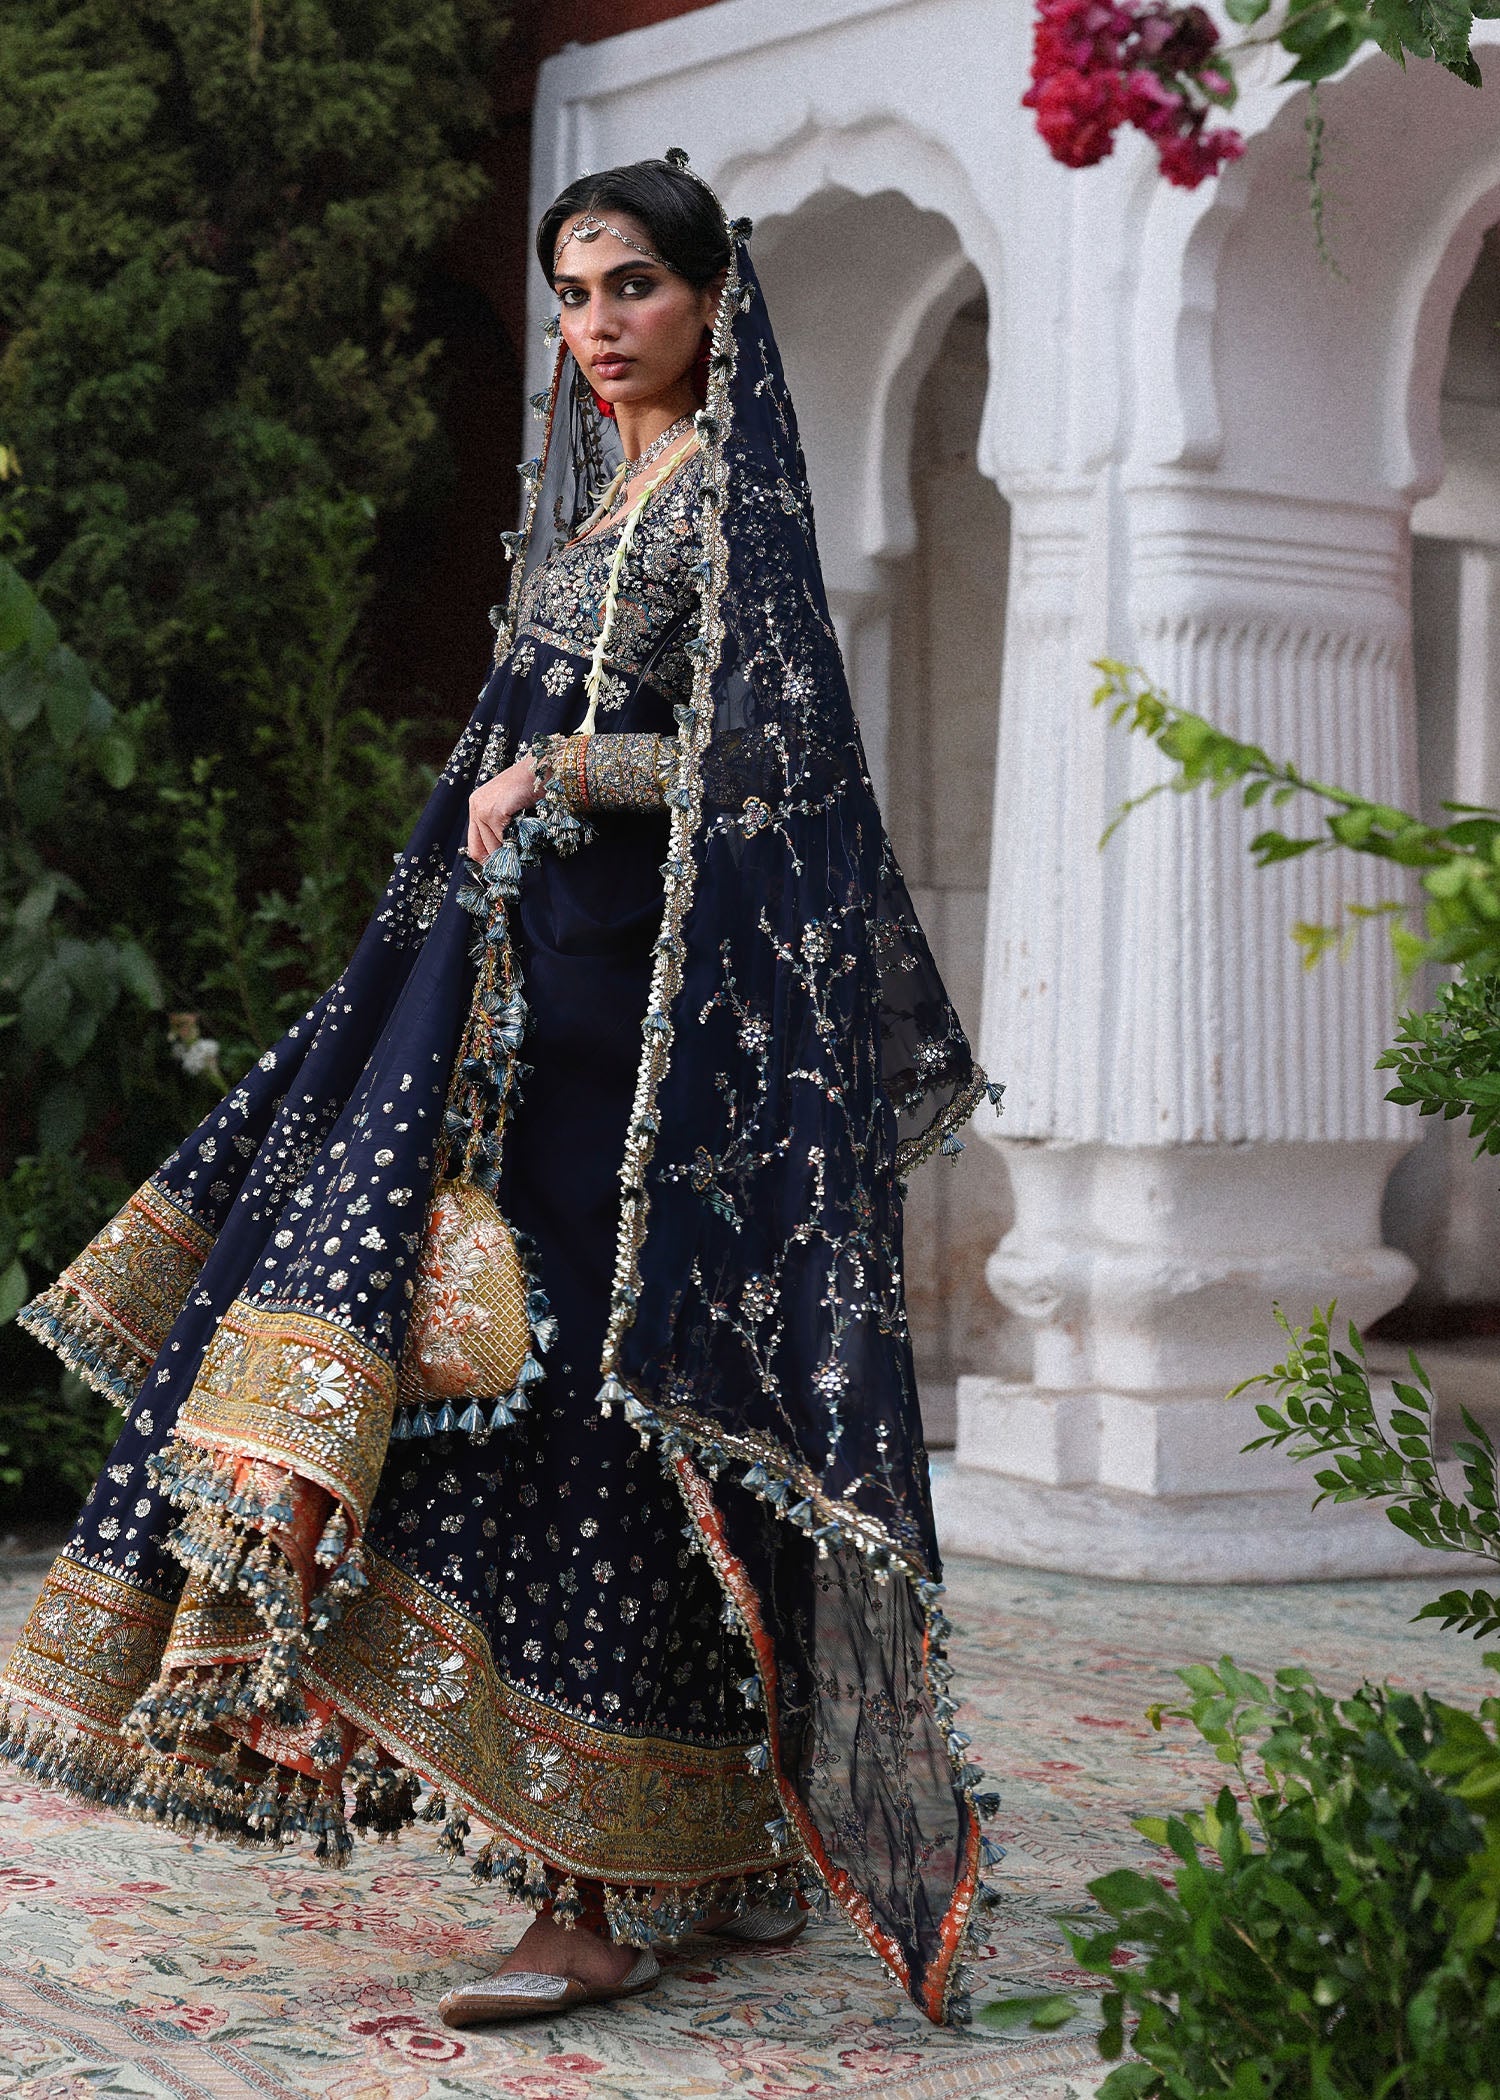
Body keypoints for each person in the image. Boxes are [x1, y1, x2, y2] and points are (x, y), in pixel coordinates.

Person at [0, 152, 1002, 2031]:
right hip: (527, 1008)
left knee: (616, 1412)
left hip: (646, 1050)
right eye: (572, 294)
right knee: (522, 1390)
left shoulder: (725, 508)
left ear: (713, 298)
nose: (596, 327)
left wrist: (572, 780)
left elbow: (774, 774)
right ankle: (686, 1847)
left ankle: (594, 1890)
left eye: (630, 288)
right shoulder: (603, 500)